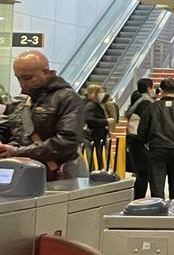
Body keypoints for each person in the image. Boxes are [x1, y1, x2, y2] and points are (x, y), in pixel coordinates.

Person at [0, 51, 88, 179]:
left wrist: (17, 152)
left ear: (46, 72)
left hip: (59, 175)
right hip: (23, 174)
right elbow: (11, 132)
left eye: (28, 78)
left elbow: (67, 141)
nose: (22, 83)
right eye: (18, 78)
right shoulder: (20, 101)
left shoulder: (67, 98)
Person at [138, 78, 174, 199]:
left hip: (156, 149)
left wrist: (147, 145)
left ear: (160, 90)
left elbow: (142, 131)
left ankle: (158, 210)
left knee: (157, 186)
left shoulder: (152, 108)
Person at [124, 78, 155, 198]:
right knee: (143, 173)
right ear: (149, 89)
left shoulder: (137, 101)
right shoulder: (146, 104)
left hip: (133, 140)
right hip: (140, 141)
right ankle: (139, 198)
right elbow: (147, 124)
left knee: (141, 173)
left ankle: (138, 197)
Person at [83, 83, 111, 170]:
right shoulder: (91, 105)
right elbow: (90, 120)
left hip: (96, 137)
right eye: (100, 92)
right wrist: (106, 121)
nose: (103, 94)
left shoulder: (96, 105)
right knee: (94, 161)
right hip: (92, 137)